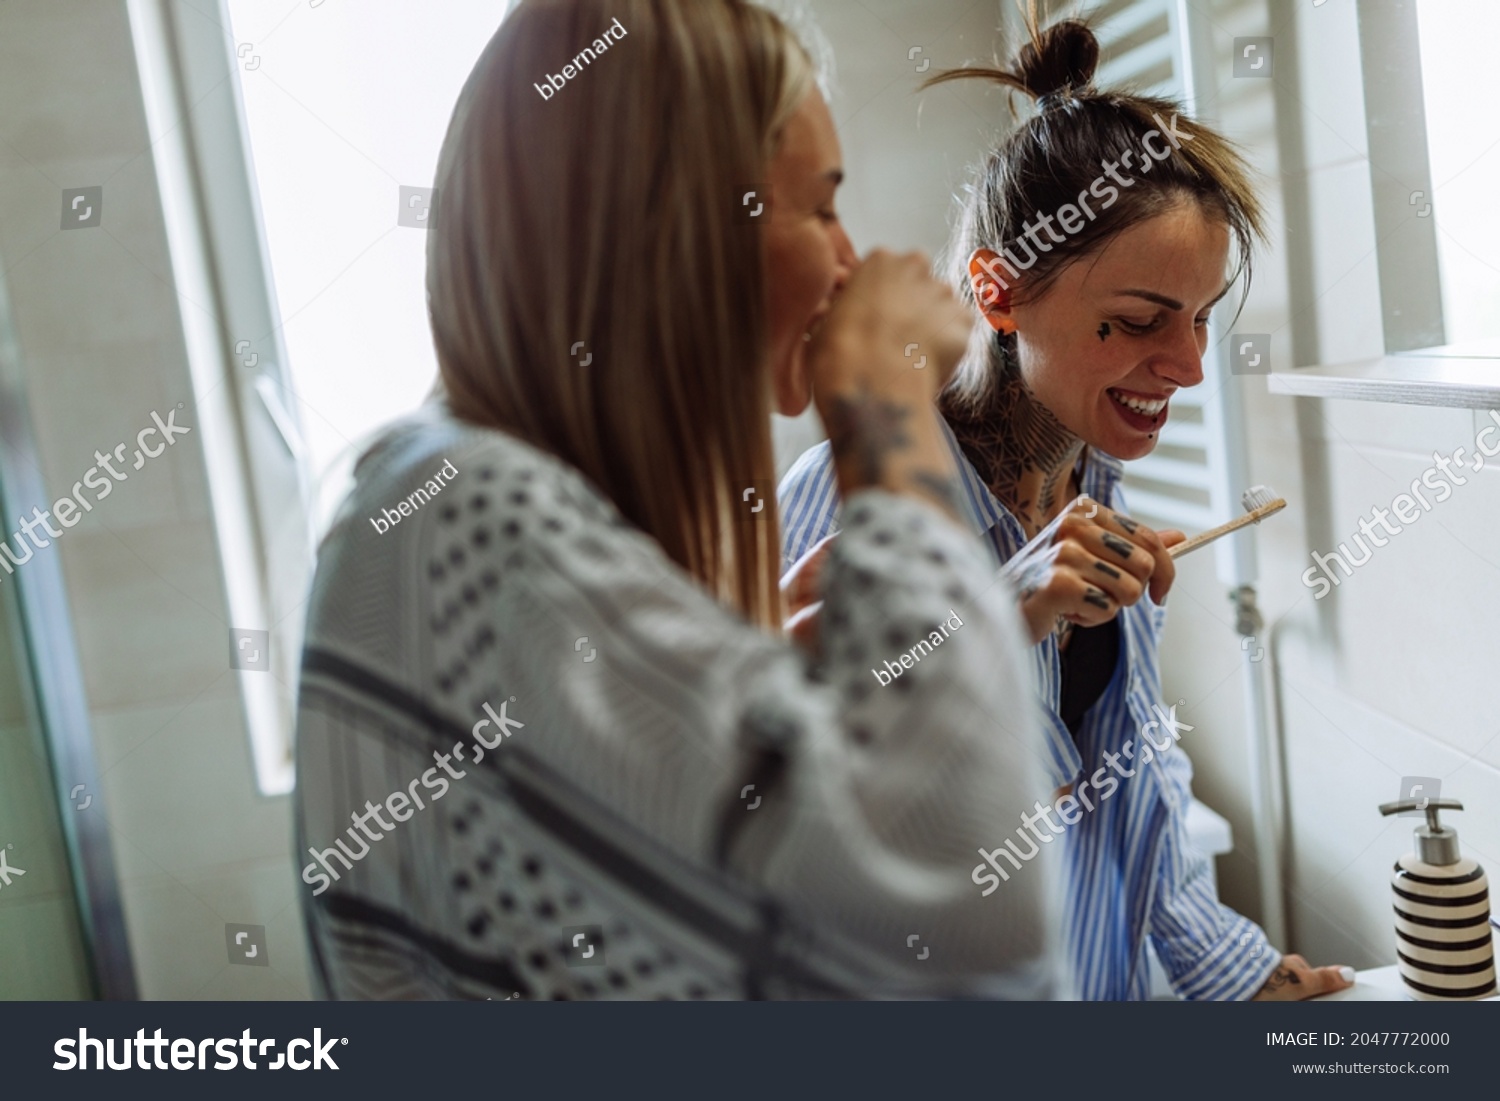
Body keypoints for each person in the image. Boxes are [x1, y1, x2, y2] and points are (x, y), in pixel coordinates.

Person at [293, 0, 1060, 1001]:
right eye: (821, 207)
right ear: (669, 233)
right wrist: (885, 411)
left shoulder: (432, 499)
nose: (848, 261)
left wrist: (734, 682)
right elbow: (969, 932)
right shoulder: (465, 515)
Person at [779, 14, 1354, 1001]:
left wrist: (1234, 971)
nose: (1187, 367)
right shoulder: (856, 494)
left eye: (1204, 319)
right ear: (999, 294)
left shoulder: (1094, 486)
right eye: (1137, 322)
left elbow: (1131, 782)